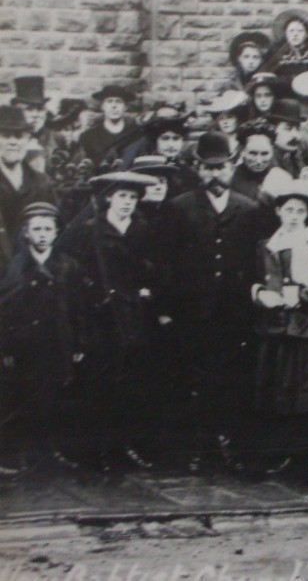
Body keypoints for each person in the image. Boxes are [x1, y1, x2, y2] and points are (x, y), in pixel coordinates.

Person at [162, 131, 266, 472]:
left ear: (232, 167)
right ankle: (196, 449)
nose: (214, 174)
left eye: (220, 167)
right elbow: (168, 262)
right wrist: (168, 309)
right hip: (193, 311)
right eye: (207, 168)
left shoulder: (249, 209)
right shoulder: (179, 207)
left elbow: (256, 262)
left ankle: (232, 447)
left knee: (232, 378)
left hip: (234, 311)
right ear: (197, 168)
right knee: (194, 379)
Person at [62, 171, 165, 471]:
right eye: (122, 196)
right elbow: (75, 270)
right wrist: (94, 291)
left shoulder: (143, 229)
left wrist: (146, 286)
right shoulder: (91, 229)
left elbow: (154, 267)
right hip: (101, 316)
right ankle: (97, 451)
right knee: (100, 382)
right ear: (109, 197)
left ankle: (126, 446)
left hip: (134, 314)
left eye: (133, 198)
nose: (127, 203)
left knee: (133, 381)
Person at [252, 179, 308, 481]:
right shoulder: (267, 246)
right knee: (278, 396)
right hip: (275, 330)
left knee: (307, 398)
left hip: (306, 331)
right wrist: (261, 293)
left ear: (307, 214)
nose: (294, 216)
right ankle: (284, 455)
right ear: (278, 211)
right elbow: (257, 277)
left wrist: (299, 297)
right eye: (288, 209)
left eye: (300, 211)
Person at [0, 202, 88, 474]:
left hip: (57, 343)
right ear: (26, 233)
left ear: (56, 233)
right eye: (36, 229)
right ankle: (21, 453)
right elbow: (6, 311)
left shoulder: (68, 266)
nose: (42, 234)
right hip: (25, 345)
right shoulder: (13, 267)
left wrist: (78, 343)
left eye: (47, 229)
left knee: (53, 396)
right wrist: (7, 347)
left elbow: (78, 308)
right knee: (22, 397)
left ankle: (50, 452)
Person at [0, 106, 56, 275]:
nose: (13, 142)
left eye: (19, 136)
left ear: (27, 140)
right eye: (5, 135)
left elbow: (53, 227)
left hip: (31, 270)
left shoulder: (41, 182)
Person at [12, 76, 64, 174]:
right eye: (29, 109)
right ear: (17, 111)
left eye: (40, 109)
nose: (35, 115)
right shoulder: (8, 138)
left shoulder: (57, 138)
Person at [230, 120, 291, 204]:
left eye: (265, 153)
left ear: (272, 151)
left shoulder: (281, 177)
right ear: (242, 151)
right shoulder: (231, 178)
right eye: (253, 153)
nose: (259, 161)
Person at [266, 10, 308, 90]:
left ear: (306, 34)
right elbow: (272, 77)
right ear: (285, 34)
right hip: (285, 92)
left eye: (300, 31)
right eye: (291, 31)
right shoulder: (277, 53)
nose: (295, 34)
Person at [79, 84, 136, 165]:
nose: (114, 106)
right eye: (109, 101)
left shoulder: (135, 135)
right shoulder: (88, 136)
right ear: (103, 106)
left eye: (118, 102)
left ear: (125, 107)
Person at [266, 99, 307, 178]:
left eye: (298, 129)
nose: (296, 135)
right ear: (272, 129)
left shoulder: (295, 156)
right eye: (288, 128)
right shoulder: (264, 159)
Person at [205, 90, 249, 155]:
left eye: (230, 117)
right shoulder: (213, 142)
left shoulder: (245, 140)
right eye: (221, 119)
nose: (225, 122)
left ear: (237, 118)